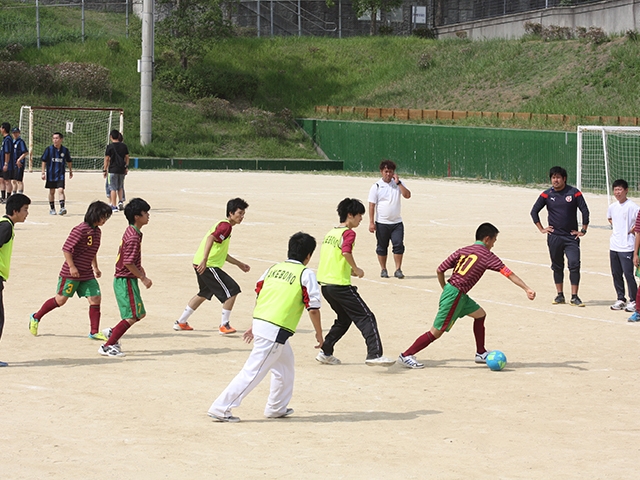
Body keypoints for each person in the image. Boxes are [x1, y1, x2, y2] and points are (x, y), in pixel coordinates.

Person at [207, 232, 323, 422]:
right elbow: (314, 308)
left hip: (265, 324)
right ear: (309, 255)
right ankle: (221, 407)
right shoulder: (306, 273)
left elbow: (261, 294)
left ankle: (276, 407)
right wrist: (319, 335)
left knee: (285, 367)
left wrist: (255, 324)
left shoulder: (272, 269)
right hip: (275, 330)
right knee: (253, 371)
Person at [397, 222, 536, 369]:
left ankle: (481, 352)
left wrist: (445, 287)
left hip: (457, 293)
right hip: (456, 295)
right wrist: (526, 288)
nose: (493, 245)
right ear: (487, 239)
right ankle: (406, 355)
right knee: (436, 331)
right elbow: (508, 273)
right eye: (494, 241)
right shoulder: (487, 255)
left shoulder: (463, 250)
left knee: (480, 315)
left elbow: (440, 269)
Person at [315, 197, 394, 367]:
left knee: (344, 319)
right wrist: (356, 268)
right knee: (367, 317)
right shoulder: (348, 233)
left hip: (326, 285)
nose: (361, 218)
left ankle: (325, 351)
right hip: (340, 285)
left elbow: (333, 258)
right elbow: (345, 252)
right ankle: (374, 354)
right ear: (350, 215)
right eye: (359, 215)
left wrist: (348, 269)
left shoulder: (331, 233)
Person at [29, 201, 114, 339]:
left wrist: (95, 267)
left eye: (106, 217)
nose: (105, 220)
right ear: (94, 215)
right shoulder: (80, 230)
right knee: (60, 300)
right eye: (103, 217)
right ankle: (36, 317)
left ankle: (94, 332)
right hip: (71, 274)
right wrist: (72, 266)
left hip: (87, 273)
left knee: (95, 298)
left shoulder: (97, 232)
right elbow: (67, 249)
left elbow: (92, 251)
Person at [173, 198, 251, 334]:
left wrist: (239, 264)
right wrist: (204, 260)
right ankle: (224, 325)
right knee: (232, 290)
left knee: (204, 293)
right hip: (208, 265)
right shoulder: (226, 226)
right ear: (231, 213)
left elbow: (222, 253)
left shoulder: (225, 226)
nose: (242, 217)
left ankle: (181, 322)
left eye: (243, 214)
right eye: (239, 213)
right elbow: (211, 238)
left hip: (201, 263)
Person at [99, 198, 153, 357]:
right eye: (145, 213)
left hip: (127, 279)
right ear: (137, 216)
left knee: (139, 313)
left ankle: (113, 332)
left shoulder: (132, 231)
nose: (148, 215)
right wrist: (143, 277)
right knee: (133, 315)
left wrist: (139, 267)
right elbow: (128, 262)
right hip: (125, 280)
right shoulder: (133, 237)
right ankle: (108, 345)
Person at [530, 166, 590, 306]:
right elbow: (534, 212)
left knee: (574, 264)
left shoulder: (574, 193)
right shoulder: (546, 194)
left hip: (571, 237)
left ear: (564, 179)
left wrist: (583, 230)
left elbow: (585, 211)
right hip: (554, 237)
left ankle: (574, 296)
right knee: (557, 266)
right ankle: (560, 295)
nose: (555, 180)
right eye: (553, 177)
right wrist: (542, 229)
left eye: (558, 177)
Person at [0, 194, 30, 367]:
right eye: (25, 210)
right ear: (15, 211)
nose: (27, 213)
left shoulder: (6, 225)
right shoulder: (6, 227)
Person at [368, 159, 411, 279]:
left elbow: (407, 195)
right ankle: (383, 269)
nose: (388, 174)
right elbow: (372, 205)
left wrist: (398, 183)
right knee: (382, 247)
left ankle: (398, 269)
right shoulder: (376, 186)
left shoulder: (398, 184)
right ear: (381, 171)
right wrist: (371, 222)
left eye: (390, 171)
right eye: (386, 171)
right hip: (382, 223)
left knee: (398, 245)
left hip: (396, 222)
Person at [607, 179, 639, 313]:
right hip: (614, 245)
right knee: (616, 273)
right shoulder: (612, 207)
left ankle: (633, 300)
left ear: (626, 190)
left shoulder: (633, 207)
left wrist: (631, 230)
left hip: (627, 245)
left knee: (628, 274)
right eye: (615, 190)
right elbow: (609, 218)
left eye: (620, 189)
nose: (617, 192)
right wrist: (616, 226)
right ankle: (621, 298)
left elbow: (638, 225)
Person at [41, 132, 73, 215]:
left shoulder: (65, 150)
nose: (55, 140)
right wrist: (43, 172)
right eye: (54, 138)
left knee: (61, 190)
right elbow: (44, 161)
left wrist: (70, 171)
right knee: (52, 191)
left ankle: (62, 208)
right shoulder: (49, 149)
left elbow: (69, 161)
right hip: (51, 175)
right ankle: (52, 209)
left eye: (56, 138)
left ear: (61, 139)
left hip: (60, 174)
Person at [103, 129, 129, 213]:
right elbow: (127, 157)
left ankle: (114, 206)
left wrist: (105, 169)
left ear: (111, 137)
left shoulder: (109, 147)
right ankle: (120, 201)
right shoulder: (123, 146)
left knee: (112, 188)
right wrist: (126, 166)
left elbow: (107, 159)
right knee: (120, 186)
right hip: (121, 169)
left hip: (113, 169)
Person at [11, 127, 27, 194]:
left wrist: (19, 160)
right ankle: (14, 194)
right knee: (13, 180)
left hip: (19, 163)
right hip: (13, 163)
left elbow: (25, 152)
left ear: (19, 133)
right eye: (14, 133)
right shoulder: (12, 142)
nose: (15, 134)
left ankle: (20, 194)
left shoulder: (20, 142)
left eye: (17, 133)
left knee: (19, 180)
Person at [1, 122, 13, 203]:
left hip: (6, 164)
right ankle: (3, 197)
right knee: (1, 180)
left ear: (4, 129)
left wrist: (6, 163)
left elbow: (7, 152)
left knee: (7, 181)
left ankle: (8, 198)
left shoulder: (8, 139)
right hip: (1, 163)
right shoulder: (5, 139)